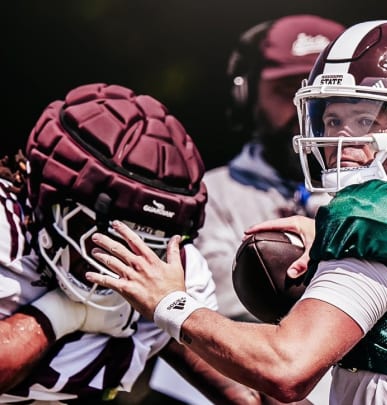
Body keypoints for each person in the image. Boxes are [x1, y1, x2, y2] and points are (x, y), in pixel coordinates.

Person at [88, 20, 387, 405]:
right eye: (333, 121)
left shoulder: (376, 219)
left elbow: (288, 369)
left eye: (366, 120)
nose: (340, 140)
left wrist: (172, 305)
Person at [0, 82, 261, 404]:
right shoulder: (6, 229)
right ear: (51, 196)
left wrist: (175, 310)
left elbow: (248, 390)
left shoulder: (177, 269)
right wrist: (61, 313)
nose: (125, 255)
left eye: (149, 236)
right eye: (115, 229)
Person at [198, 14, 345, 322]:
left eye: (323, 95)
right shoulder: (208, 195)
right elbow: (220, 309)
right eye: (288, 90)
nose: (305, 113)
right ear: (247, 95)